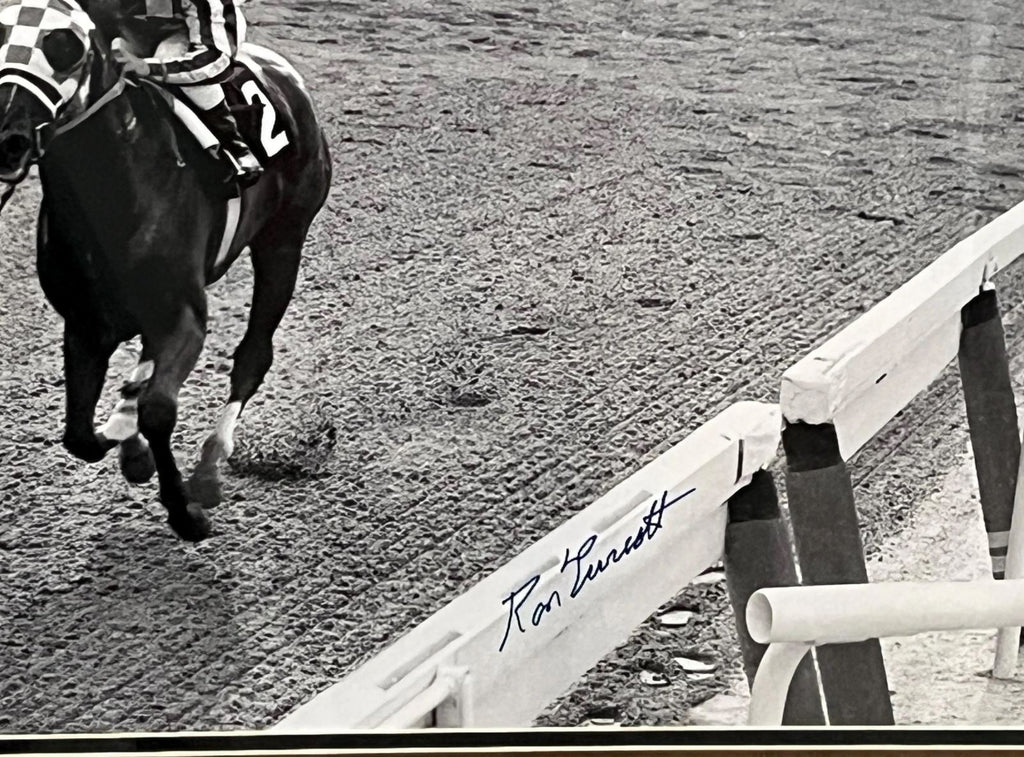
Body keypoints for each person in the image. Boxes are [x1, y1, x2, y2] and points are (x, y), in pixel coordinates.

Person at [113, 0, 263, 185]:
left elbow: (215, 60)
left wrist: (149, 67)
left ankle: (233, 145)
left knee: (167, 55)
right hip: (120, 27)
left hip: (189, 32)